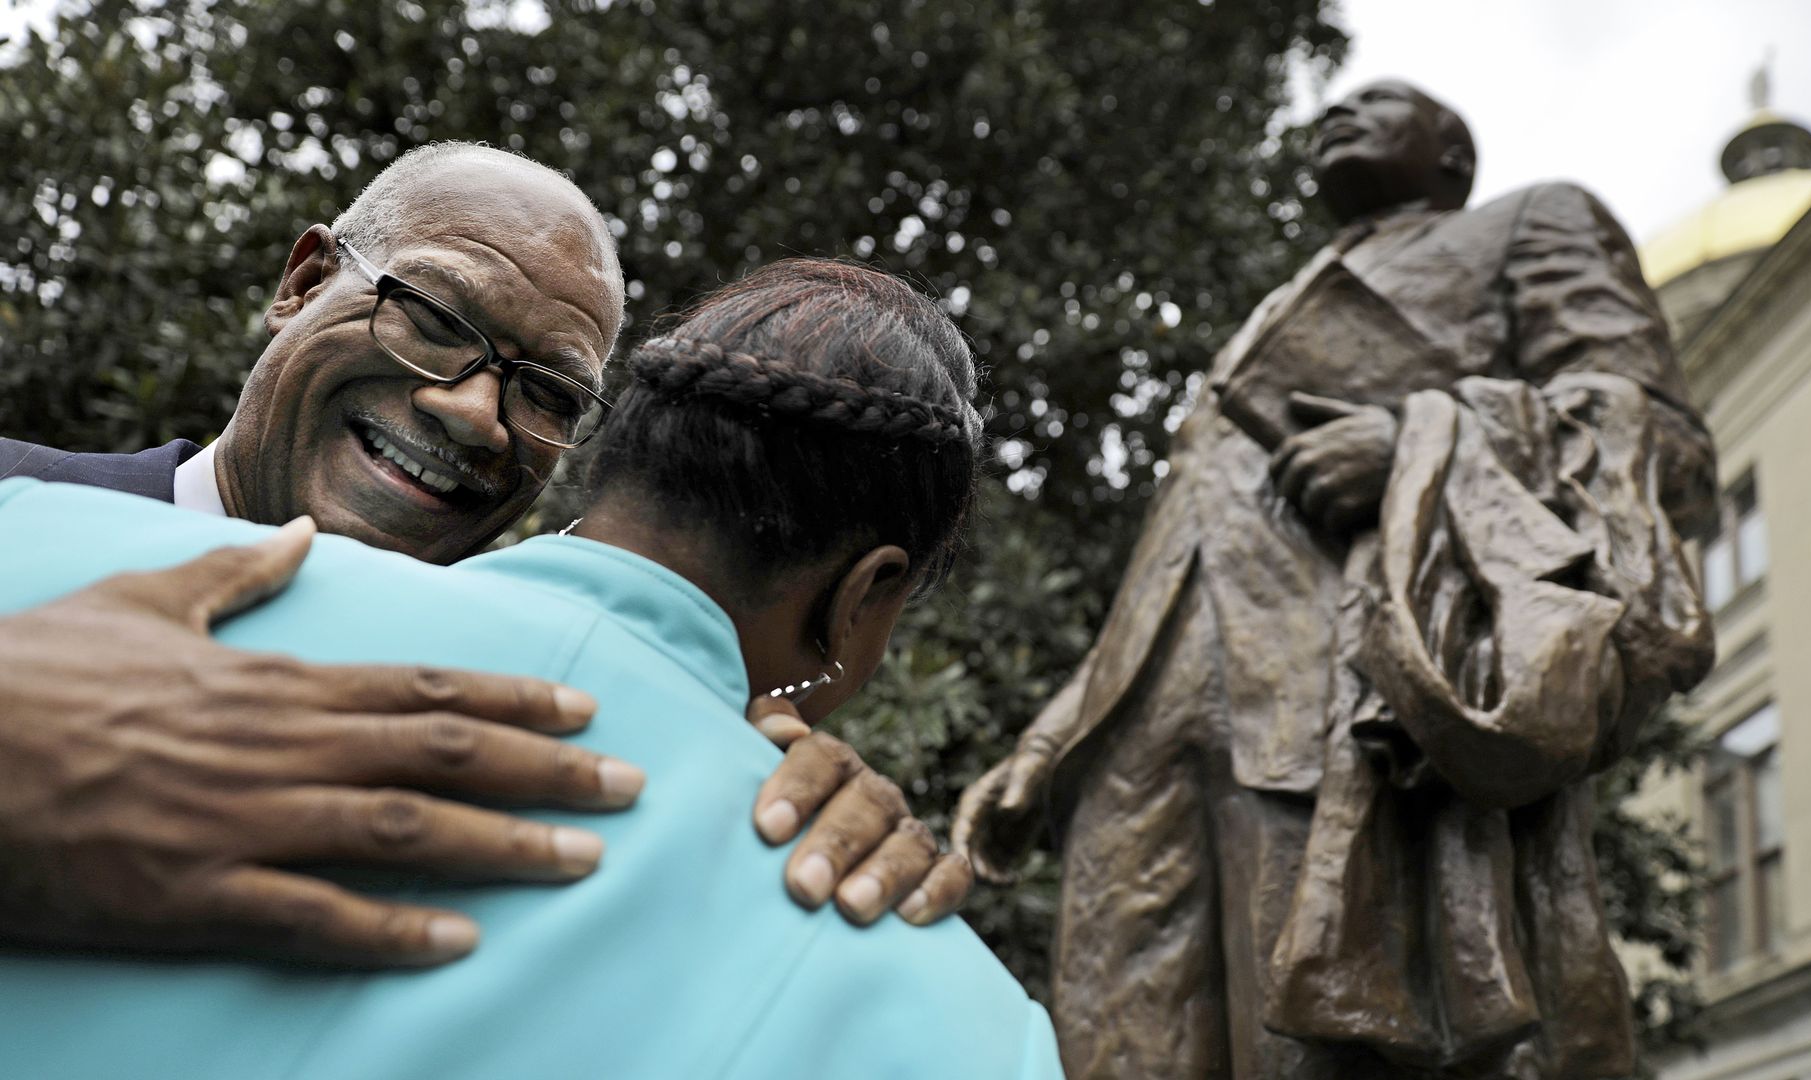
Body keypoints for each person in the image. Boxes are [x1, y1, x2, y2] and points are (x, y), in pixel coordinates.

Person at [0, 258, 1063, 1079]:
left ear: (600, 460)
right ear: (864, 597)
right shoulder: (970, 1029)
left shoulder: (38, 554)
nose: (466, 407)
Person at [0, 144, 967, 965]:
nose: (475, 412)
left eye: (545, 392)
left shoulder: (533, 723)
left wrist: (789, 814)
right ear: (300, 285)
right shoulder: (16, 511)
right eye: (433, 316)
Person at [954, 80, 1716, 1079]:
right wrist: (1049, 740)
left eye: (1379, 102)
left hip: (1340, 711)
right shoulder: (1271, 310)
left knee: (1319, 1052)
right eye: (1330, 111)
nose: (1336, 118)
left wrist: (1416, 444)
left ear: (1453, 157)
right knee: (1117, 1046)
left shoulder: (1532, 221)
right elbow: (1177, 559)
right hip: (1141, 743)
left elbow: (1662, 444)